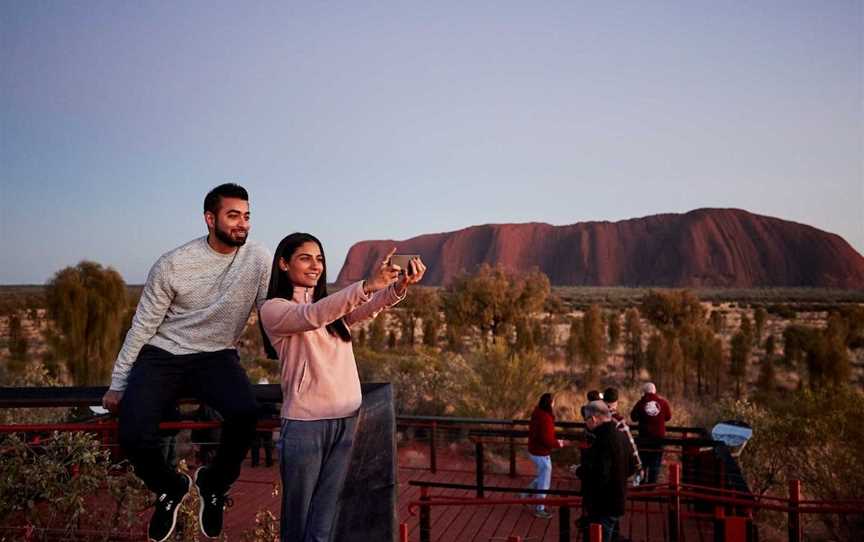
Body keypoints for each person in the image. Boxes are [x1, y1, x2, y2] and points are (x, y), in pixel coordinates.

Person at [101, 183, 271, 542]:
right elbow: (143, 325)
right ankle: (169, 488)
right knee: (132, 431)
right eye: (233, 215)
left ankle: (213, 483)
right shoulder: (173, 264)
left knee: (245, 414)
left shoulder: (258, 259)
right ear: (210, 219)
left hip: (217, 356)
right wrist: (118, 383)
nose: (242, 224)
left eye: (247, 216)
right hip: (164, 354)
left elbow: (273, 313)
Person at [260, 233, 426, 542]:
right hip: (306, 425)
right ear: (283, 264)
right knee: (298, 525)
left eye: (320, 259)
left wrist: (397, 286)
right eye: (305, 258)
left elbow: (366, 309)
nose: (315, 266)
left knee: (324, 524)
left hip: (347, 419)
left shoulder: (331, 308)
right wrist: (366, 285)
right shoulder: (274, 309)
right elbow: (311, 316)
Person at [575, 401, 635, 542]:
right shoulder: (621, 434)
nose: (586, 424)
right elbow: (631, 466)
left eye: (586, 420)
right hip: (618, 500)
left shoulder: (602, 441)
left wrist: (579, 471)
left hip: (603, 505)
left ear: (593, 419)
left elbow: (600, 474)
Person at [524, 393, 565, 519]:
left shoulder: (537, 413)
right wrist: (559, 443)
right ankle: (539, 509)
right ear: (550, 403)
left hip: (533, 450)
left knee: (542, 476)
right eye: (553, 402)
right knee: (544, 483)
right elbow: (546, 439)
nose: (554, 404)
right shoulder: (546, 418)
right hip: (541, 453)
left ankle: (525, 495)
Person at [630, 382, 672, 484]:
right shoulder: (663, 403)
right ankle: (652, 486)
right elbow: (668, 417)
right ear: (655, 391)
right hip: (658, 440)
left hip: (644, 439)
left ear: (644, 392)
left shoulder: (641, 403)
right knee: (655, 465)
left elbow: (633, 417)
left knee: (642, 464)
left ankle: (640, 486)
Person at [603, 387, 643, 485]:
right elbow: (630, 443)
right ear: (616, 402)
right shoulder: (618, 421)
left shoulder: (596, 417)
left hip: (598, 465)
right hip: (615, 465)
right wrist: (638, 465)